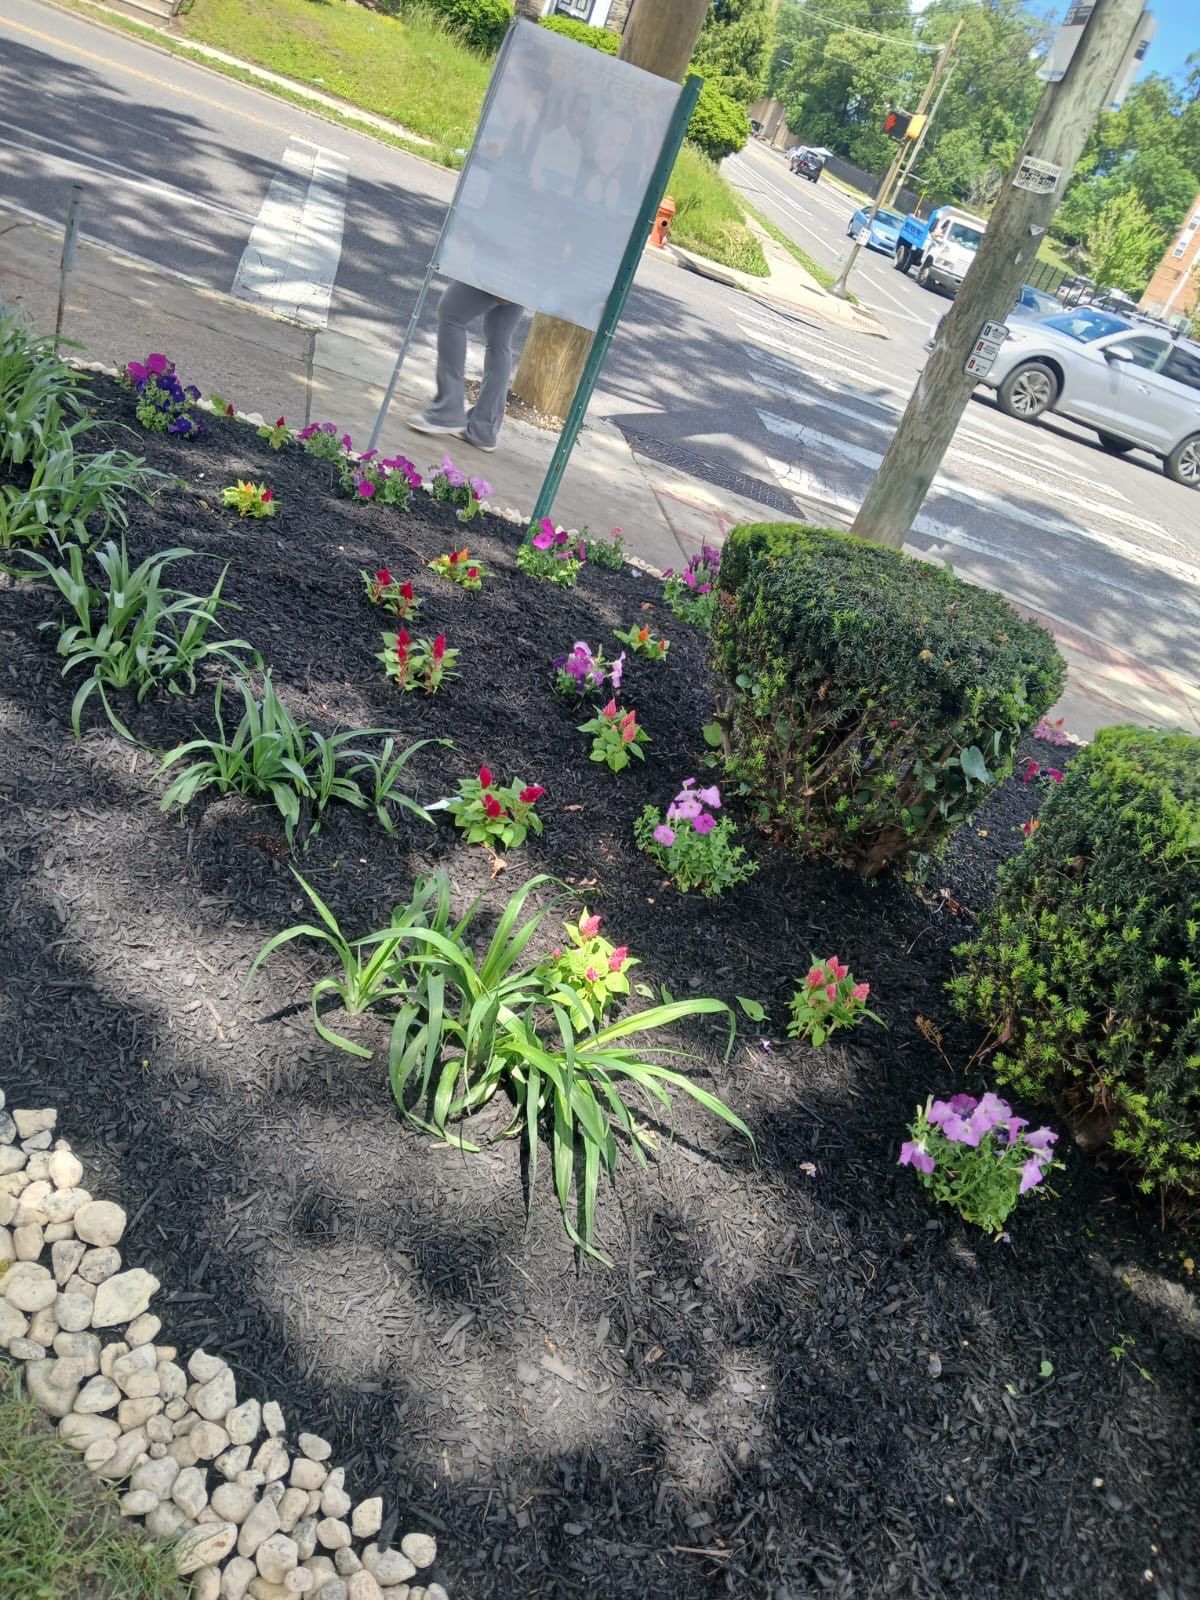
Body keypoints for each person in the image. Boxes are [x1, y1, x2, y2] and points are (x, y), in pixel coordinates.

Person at [408, 282, 524, 454]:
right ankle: (483, 428)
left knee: (450, 313)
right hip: (527, 273)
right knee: (499, 339)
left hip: (505, 267)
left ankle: (446, 411)